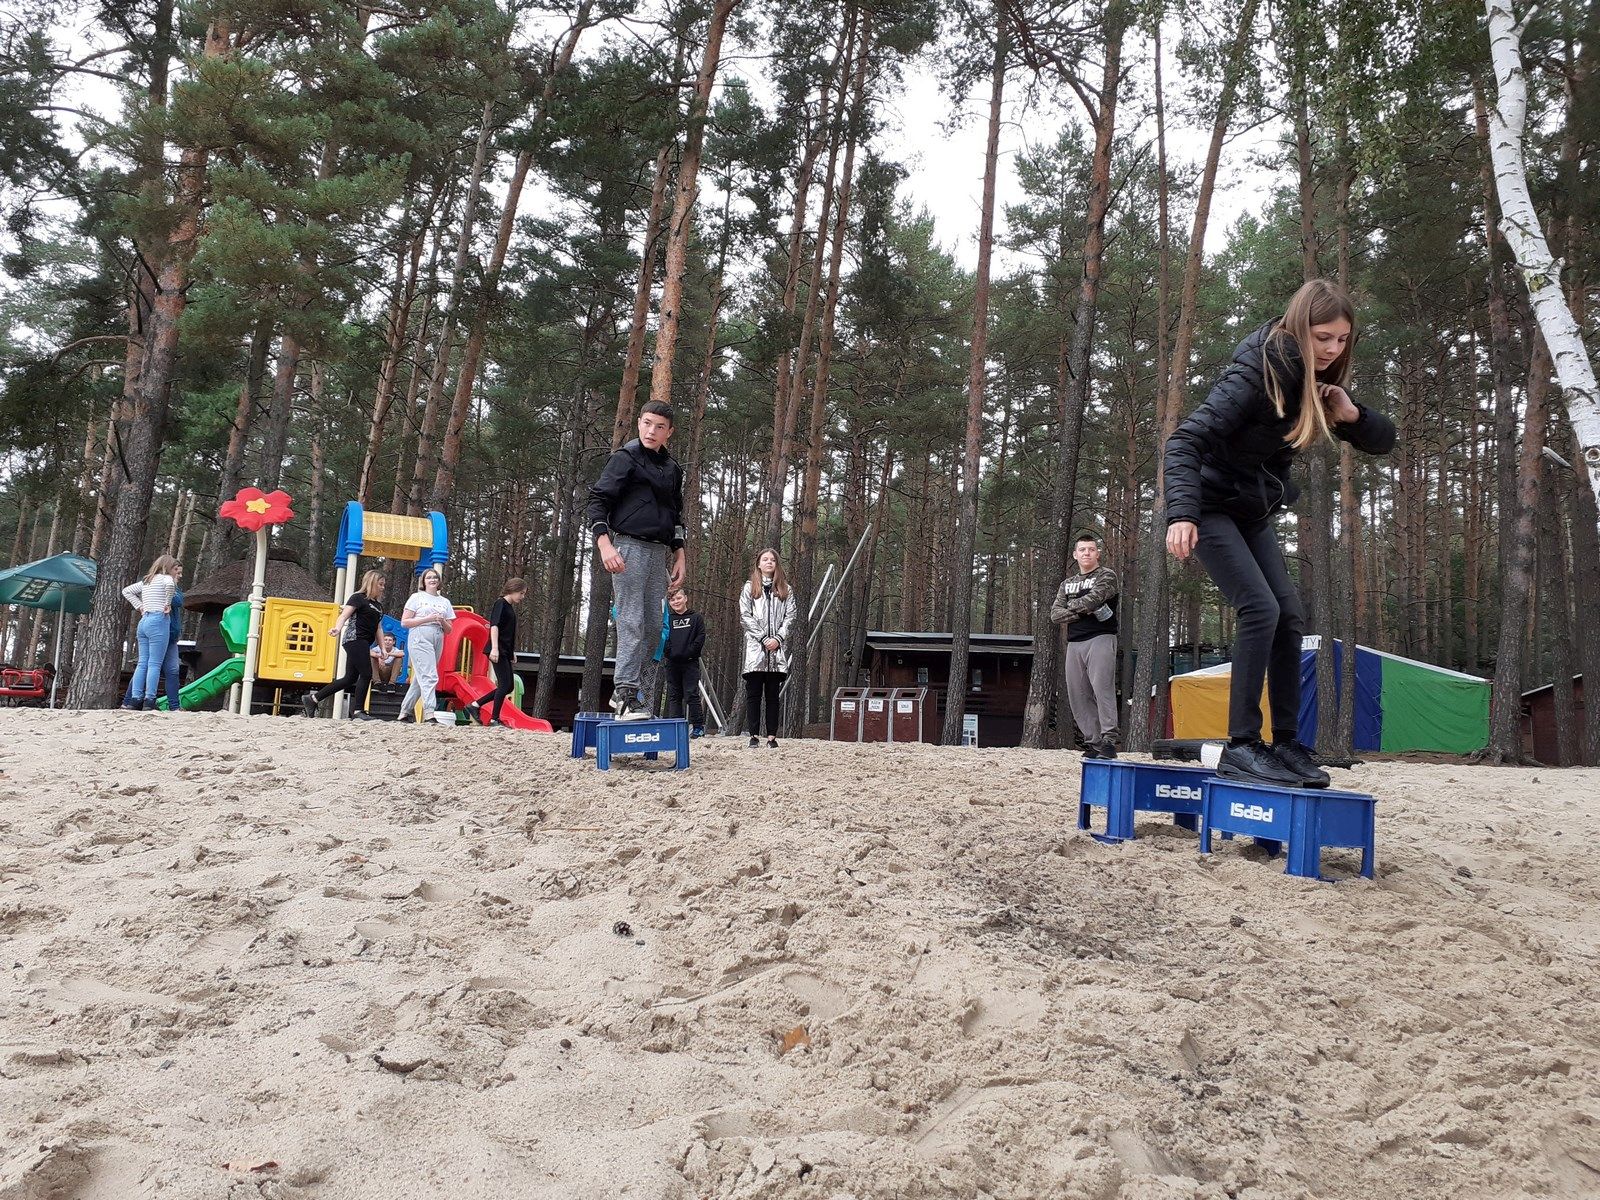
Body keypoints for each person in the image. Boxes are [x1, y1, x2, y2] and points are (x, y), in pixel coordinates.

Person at [1165, 279, 1396, 787]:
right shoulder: (1257, 371)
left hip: (1250, 511)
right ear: (1298, 328)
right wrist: (1182, 514)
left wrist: (1352, 415)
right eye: (1322, 337)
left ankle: (1286, 742)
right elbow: (1184, 441)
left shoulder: (1312, 380)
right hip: (1208, 506)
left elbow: (1384, 441)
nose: (1332, 349)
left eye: (1342, 339)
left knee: (1288, 615)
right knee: (1259, 608)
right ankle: (1242, 745)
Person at [586, 401, 686, 720]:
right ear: (639, 423)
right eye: (646, 423)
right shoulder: (625, 458)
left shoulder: (673, 469)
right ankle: (625, 692)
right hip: (627, 548)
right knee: (632, 622)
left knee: (655, 629)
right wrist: (604, 543)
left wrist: (680, 552)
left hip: (659, 554)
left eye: (659, 427)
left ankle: (634, 696)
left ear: (669, 432)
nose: (651, 431)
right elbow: (598, 500)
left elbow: (676, 513)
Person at [1049, 532, 1120, 759]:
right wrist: (1083, 610)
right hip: (1074, 643)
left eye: (1091, 549)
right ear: (1075, 555)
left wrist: (1074, 608)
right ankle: (1093, 742)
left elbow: (1095, 599)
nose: (1086, 553)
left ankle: (1109, 740)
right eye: (1082, 550)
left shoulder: (1106, 575)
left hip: (1101, 637)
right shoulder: (1067, 584)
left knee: (1102, 688)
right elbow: (1055, 614)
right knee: (1077, 693)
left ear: (1097, 553)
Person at [303, 570, 387, 720]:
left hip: (364, 642)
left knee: (349, 678)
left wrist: (383, 648)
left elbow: (378, 628)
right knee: (366, 674)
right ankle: (358, 711)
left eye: (383, 585)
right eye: (380, 584)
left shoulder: (379, 606)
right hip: (354, 639)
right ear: (371, 583)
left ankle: (313, 699)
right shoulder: (358, 598)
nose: (382, 588)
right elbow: (344, 615)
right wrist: (337, 628)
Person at [739, 548, 796, 749]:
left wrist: (778, 638)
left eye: (772, 559)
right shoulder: (749, 588)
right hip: (756, 650)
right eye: (765, 559)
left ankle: (772, 736)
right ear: (759, 563)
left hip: (776, 652)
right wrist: (763, 638)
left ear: (777, 564)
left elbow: (790, 616)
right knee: (753, 694)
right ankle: (753, 735)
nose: (769, 562)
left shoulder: (786, 589)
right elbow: (745, 615)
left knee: (773, 695)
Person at [120, 555, 180, 710]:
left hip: (144, 621)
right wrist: (167, 603)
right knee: (154, 664)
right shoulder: (166, 578)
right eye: (175, 569)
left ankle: (135, 699)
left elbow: (126, 591)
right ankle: (149, 699)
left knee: (142, 663)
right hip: (158, 620)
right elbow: (170, 586)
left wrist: (139, 606)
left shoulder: (147, 580)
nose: (176, 572)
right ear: (167, 567)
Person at [396, 566, 455, 724]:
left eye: (435, 577)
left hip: (438, 636)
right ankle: (429, 712)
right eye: (429, 577)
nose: (432, 580)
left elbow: (449, 629)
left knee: (421, 677)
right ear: (423, 581)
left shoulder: (445, 602)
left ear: (439, 581)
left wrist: (441, 620)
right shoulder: (416, 597)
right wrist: (428, 618)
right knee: (430, 676)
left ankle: (404, 712)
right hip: (420, 635)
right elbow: (405, 622)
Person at [476, 577, 526, 726]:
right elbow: (495, 626)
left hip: (505, 650)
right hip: (497, 649)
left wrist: (511, 651)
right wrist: (495, 648)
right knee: (504, 685)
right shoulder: (501, 603)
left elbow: (508, 632)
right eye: (521, 593)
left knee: (509, 686)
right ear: (513, 590)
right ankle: (494, 719)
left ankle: (475, 705)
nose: (522, 597)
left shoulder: (509, 607)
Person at [663, 587, 707, 737]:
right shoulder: (668, 619)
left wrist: (688, 653)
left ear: (685, 598)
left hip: (690, 663)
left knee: (691, 694)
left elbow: (700, 637)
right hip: (672, 663)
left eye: (678, 598)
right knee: (674, 695)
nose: (676, 601)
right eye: (672, 599)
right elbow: (664, 637)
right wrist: (669, 652)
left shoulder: (696, 618)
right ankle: (676, 728)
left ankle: (698, 727)